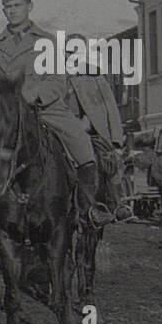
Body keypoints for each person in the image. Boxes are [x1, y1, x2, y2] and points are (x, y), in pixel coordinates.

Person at [0, 0, 114, 228]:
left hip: (47, 110)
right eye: (7, 7)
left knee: (82, 145)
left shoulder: (46, 41)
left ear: (29, 7)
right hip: (5, 116)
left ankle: (89, 207)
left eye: (17, 6)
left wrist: (30, 97)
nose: (12, 11)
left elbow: (56, 81)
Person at [66, 32, 133, 222]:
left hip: (92, 132)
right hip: (64, 129)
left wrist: (116, 140)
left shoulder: (94, 76)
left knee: (107, 160)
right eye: (70, 51)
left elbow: (111, 108)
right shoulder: (57, 76)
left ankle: (116, 205)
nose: (73, 55)